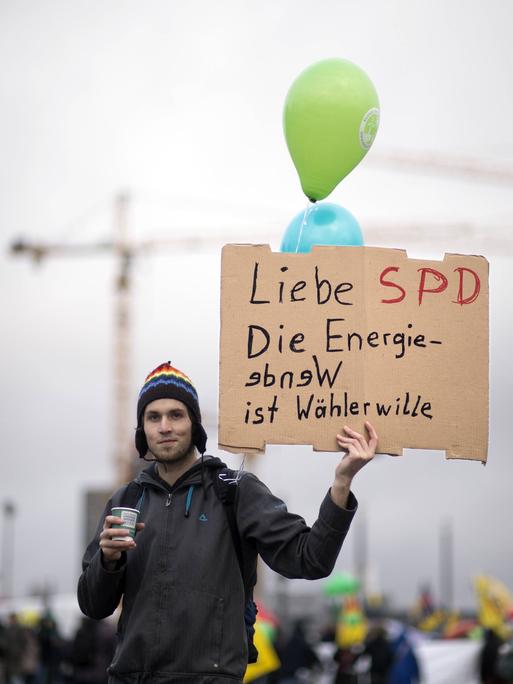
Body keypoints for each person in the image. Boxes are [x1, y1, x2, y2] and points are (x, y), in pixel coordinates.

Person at [78, 361, 379, 684]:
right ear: (143, 429)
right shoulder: (126, 499)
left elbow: (311, 559)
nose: (164, 426)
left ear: (195, 424)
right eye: (154, 417)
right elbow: (94, 605)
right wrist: (108, 561)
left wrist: (342, 482)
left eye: (176, 415)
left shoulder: (234, 491)